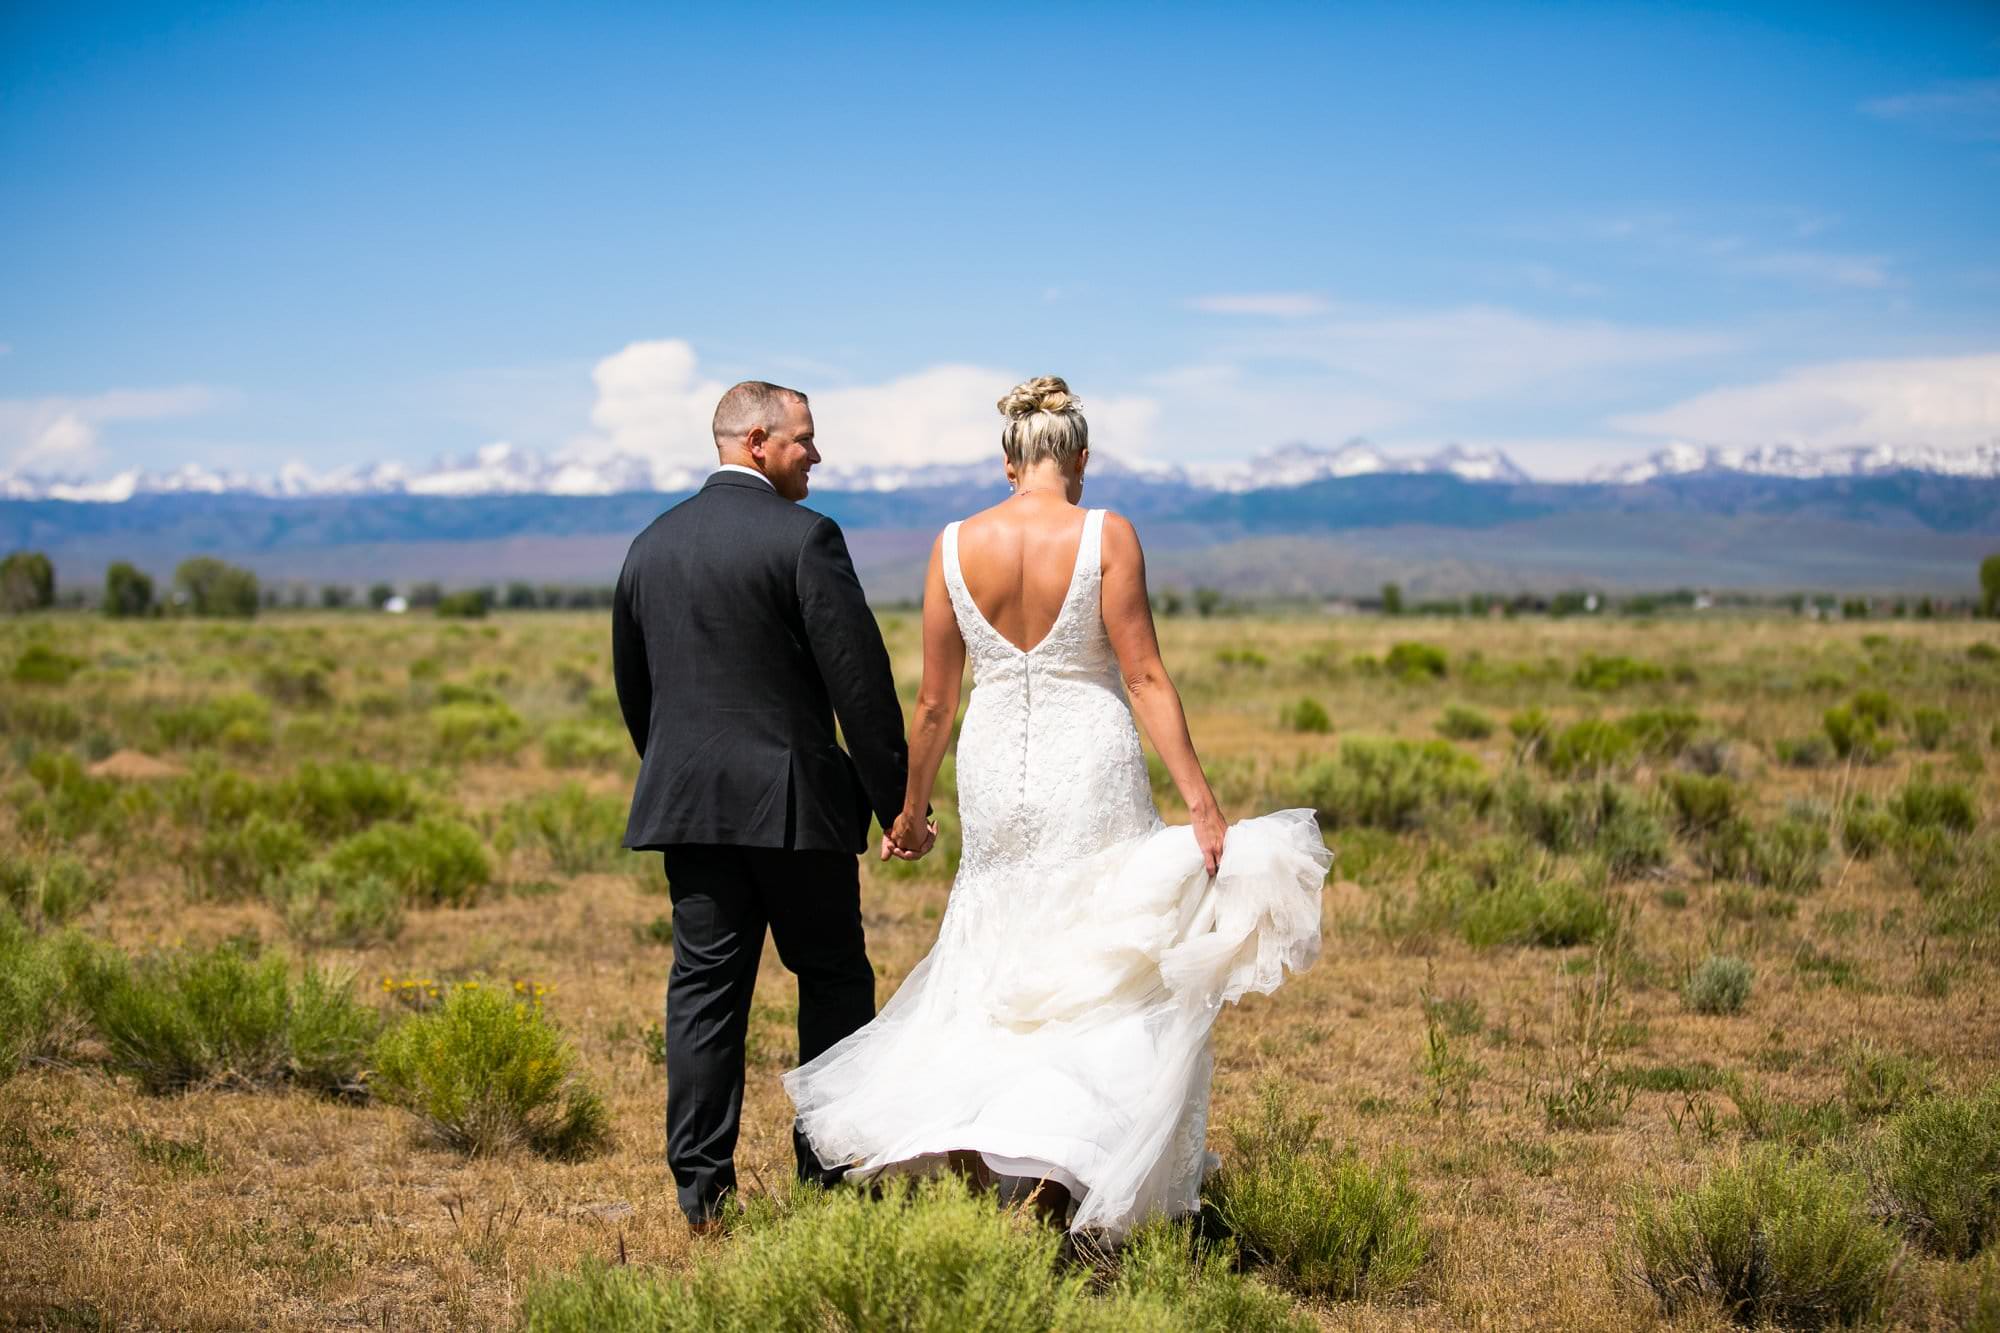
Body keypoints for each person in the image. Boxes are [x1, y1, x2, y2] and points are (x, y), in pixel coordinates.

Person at [784, 376, 1330, 1237]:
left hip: (997, 766)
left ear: (1008, 462)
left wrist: (911, 809)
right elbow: (1145, 674)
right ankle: (1067, 1163)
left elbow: (933, 701)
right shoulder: (1106, 532)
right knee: (1102, 955)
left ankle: (978, 1154)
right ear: (1079, 457)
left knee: (995, 945)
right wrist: (1201, 800)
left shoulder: (952, 543)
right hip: (1092, 760)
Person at [611, 380, 922, 1230]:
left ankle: (703, 1195)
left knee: (705, 993)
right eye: (804, 441)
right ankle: (828, 1175)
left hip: (693, 809)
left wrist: (682, 775)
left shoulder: (650, 544)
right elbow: (858, 682)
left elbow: (637, 691)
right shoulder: (806, 538)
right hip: (793, 812)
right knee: (831, 979)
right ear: (757, 441)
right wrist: (898, 799)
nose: (815, 455)